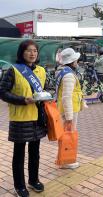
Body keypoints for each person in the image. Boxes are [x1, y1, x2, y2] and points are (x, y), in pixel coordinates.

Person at [0, 40, 46, 197]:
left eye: (35, 51)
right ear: (22, 53)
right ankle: (19, 186)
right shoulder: (13, 70)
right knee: (19, 155)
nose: (33, 53)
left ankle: (33, 180)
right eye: (29, 50)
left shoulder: (41, 71)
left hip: (37, 118)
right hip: (20, 118)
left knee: (35, 152)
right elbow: (2, 92)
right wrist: (22, 100)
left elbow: (42, 91)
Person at [55, 48, 83, 169]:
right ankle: (67, 161)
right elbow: (67, 97)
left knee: (65, 135)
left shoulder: (63, 72)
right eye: (76, 60)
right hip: (68, 110)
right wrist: (69, 117)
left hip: (65, 108)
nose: (77, 61)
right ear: (72, 61)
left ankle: (63, 158)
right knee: (68, 135)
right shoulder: (69, 75)